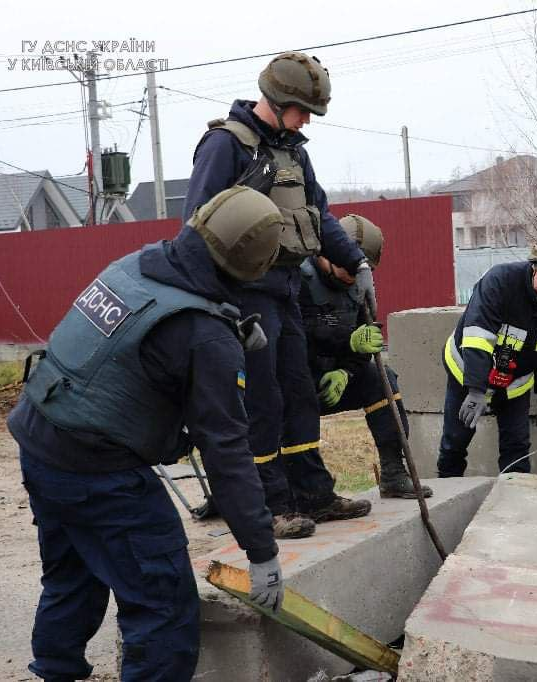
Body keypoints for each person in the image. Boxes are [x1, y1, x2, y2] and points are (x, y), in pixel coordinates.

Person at [9, 187, 287, 681]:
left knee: (72, 575)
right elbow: (226, 450)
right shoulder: (205, 336)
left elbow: (136, 352)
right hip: (98, 472)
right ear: (255, 266)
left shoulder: (139, 266)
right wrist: (261, 551)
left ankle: (55, 670)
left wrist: (225, 330)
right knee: (162, 606)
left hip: (40, 440)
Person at [183, 51, 374, 540]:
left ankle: (313, 493)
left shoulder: (295, 152)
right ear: (277, 99)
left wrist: (356, 261)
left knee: (298, 391)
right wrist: (216, 306)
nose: (307, 119)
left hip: (287, 289)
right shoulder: (226, 146)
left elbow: (319, 215)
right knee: (262, 402)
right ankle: (270, 503)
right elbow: (198, 225)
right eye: (302, 110)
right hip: (246, 295)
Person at [299, 214, 433, 509]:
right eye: (348, 268)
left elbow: (365, 340)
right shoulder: (297, 279)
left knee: (381, 378)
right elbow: (291, 339)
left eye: (363, 270)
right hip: (295, 383)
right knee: (292, 394)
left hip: (333, 380)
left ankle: (394, 474)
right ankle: (307, 490)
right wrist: (346, 340)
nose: (352, 277)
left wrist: (347, 370)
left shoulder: (359, 288)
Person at [436, 232, 537, 477]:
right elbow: (477, 336)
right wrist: (475, 390)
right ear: (534, 267)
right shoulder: (500, 281)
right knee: (455, 442)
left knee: (517, 448)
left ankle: (515, 504)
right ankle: (446, 489)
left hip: (515, 385)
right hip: (467, 374)